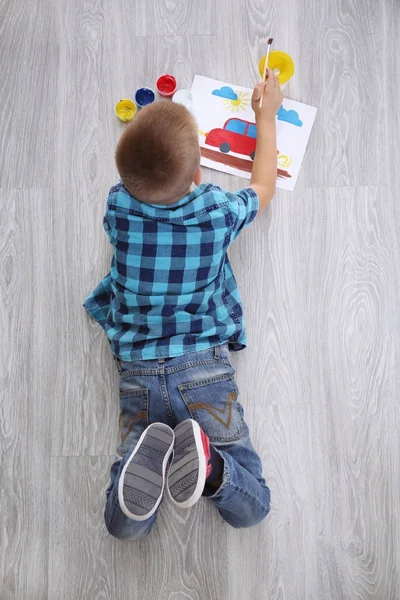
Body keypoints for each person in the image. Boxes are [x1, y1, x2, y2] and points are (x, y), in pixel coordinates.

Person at [84, 69, 283, 540]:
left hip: (139, 371)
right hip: (203, 366)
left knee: (122, 528)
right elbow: (264, 189)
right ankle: (213, 471)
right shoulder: (216, 210)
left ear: (124, 179)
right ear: (198, 174)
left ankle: (134, 498)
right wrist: (266, 117)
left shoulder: (118, 207)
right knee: (254, 505)